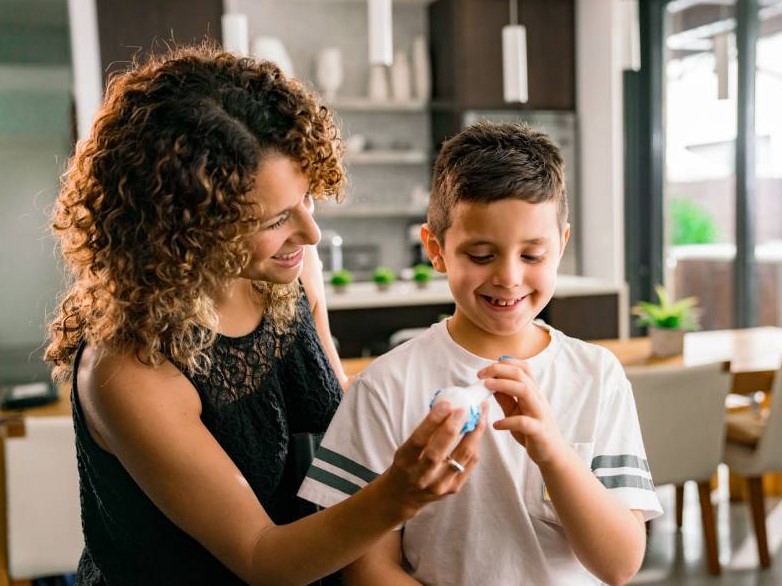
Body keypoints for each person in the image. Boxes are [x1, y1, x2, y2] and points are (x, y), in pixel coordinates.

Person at [44, 43, 486, 585]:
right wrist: (397, 495)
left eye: (309, 200)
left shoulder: (288, 268)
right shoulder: (130, 370)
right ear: (186, 227)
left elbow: (337, 417)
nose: (310, 232)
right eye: (277, 217)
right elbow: (261, 557)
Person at [299, 121, 664, 585]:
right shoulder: (386, 386)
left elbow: (619, 564)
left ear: (561, 246)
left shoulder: (597, 375)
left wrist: (553, 452)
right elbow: (368, 569)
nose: (509, 278)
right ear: (436, 249)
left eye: (532, 255)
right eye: (481, 254)